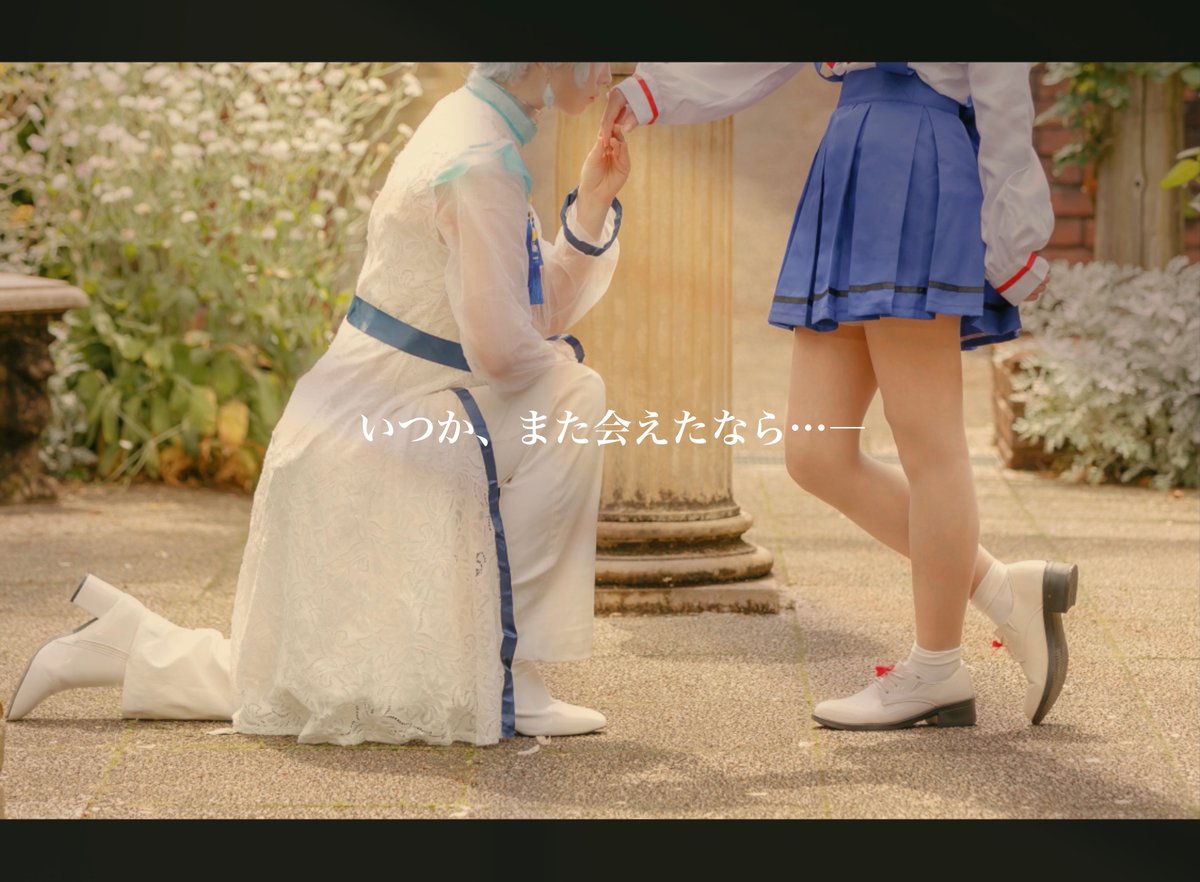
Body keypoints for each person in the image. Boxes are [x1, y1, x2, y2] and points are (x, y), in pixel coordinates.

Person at [7, 62, 631, 746]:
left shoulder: (471, 126)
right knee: (573, 395)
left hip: (351, 423)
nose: (609, 69)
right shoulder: (480, 159)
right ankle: (514, 677)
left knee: (326, 680)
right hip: (380, 427)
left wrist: (591, 203)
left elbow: (524, 316)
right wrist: (556, 361)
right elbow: (504, 352)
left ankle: (125, 643)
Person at [601, 62, 1077, 730]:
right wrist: (650, 91)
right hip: (852, 156)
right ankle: (1004, 590)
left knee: (929, 444)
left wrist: (1014, 233)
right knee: (815, 453)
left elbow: (1001, 89)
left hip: (917, 161)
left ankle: (937, 668)